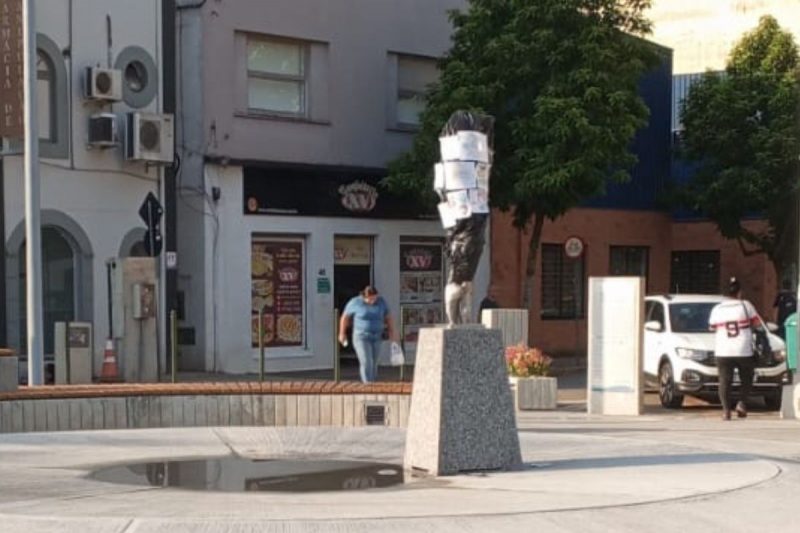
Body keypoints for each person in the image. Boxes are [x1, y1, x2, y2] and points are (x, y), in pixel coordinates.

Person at [708, 277, 759, 420]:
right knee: (747, 378)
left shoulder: (717, 309)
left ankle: (726, 411)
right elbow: (756, 323)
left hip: (723, 350)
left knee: (724, 381)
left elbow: (711, 327)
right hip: (743, 349)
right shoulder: (745, 305)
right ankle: (742, 403)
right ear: (740, 292)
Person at [338, 286, 396, 383]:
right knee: (366, 361)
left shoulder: (381, 302)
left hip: (377, 336)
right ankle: (367, 383)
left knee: (374, 362)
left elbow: (388, 317)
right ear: (364, 297)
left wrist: (392, 332)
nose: (372, 301)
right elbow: (345, 317)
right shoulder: (355, 302)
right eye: (370, 299)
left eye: (374, 298)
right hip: (361, 336)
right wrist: (342, 333)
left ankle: (372, 382)